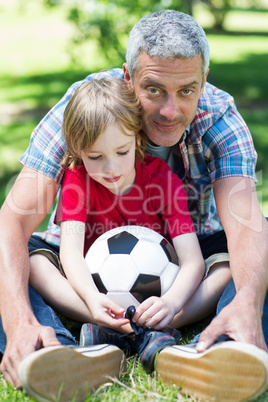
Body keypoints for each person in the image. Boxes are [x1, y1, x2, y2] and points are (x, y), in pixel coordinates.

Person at [0, 8, 267, 401]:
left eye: (187, 90)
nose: (170, 111)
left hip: (183, 258)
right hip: (79, 267)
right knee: (12, 258)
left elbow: (245, 227)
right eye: (154, 89)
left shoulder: (219, 119)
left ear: (204, 81)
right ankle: (53, 350)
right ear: (127, 78)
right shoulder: (88, 110)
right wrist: (17, 317)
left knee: (259, 253)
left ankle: (227, 348)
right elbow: (14, 220)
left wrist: (247, 299)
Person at [28, 77, 231, 338]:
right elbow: (71, 255)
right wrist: (91, 297)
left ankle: (164, 321)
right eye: (95, 157)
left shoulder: (162, 180)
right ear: (78, 151)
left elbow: (192, 261)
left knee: (227, 266)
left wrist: (171, 302)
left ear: (137, 140)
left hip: (164, 286)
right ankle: (103, 319)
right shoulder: (77, 179)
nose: (110, 168)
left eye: (121, 152)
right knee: (33, 261)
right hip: (96, 283)